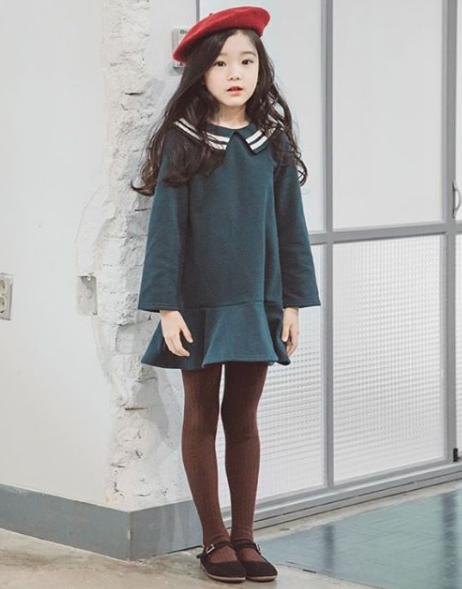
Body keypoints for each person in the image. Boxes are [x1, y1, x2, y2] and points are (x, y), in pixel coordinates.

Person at [131, 5, 321, 584]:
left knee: (243, 417)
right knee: (200, 415)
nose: (235, 73)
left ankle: (245, 538)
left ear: (261, 69)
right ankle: (213, 539)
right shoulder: (185, 141)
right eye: (220, 63)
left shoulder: (273, 143)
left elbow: (290, 228)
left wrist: (292, 304)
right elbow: (166, 231)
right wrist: (166, 307)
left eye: (246, 61)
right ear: (201, 72)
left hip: (255, 303)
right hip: (197, 305)